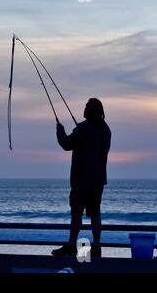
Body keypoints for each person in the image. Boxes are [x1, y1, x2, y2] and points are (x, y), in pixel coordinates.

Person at [52, 98, 111, 258]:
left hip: (81, 181)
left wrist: (60, 130)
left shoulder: (83, 129)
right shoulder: (106, 129)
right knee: (95, 213)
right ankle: (97, 246)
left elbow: (66, 144)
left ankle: (72, 245)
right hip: (98, 180)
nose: (84, 108)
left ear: (92, 110)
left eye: (86, 106)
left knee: (76, 213)